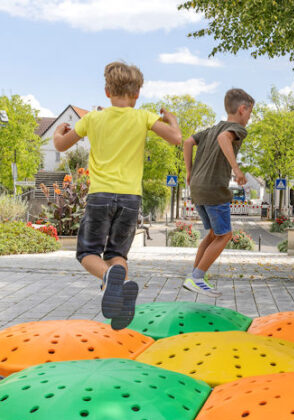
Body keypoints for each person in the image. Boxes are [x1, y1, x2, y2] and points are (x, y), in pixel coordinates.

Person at [53, 61, 182, 329]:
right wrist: (172, 120)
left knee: (87, 253)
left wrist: (57, 132)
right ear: (137, 94)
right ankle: (120, 295)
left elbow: (61, 145)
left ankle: (110, 278)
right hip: (130, 199)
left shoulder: (92, 118)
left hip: (100, 196)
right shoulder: (144, 117)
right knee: (117, 254)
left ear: (107, 92)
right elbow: (176, 138)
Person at [182, 88, 254, 297]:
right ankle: (197, 278)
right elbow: (224, 138)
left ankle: (194, 277)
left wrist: (189, 172)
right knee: (225, 235)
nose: (249, 118)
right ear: (242, 109)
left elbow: (188, 142)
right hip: (214, 188)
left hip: (197, 187)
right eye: (250, 113)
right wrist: (236, 169)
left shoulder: (210, 130)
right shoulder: (237, 129)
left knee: (213, 234)